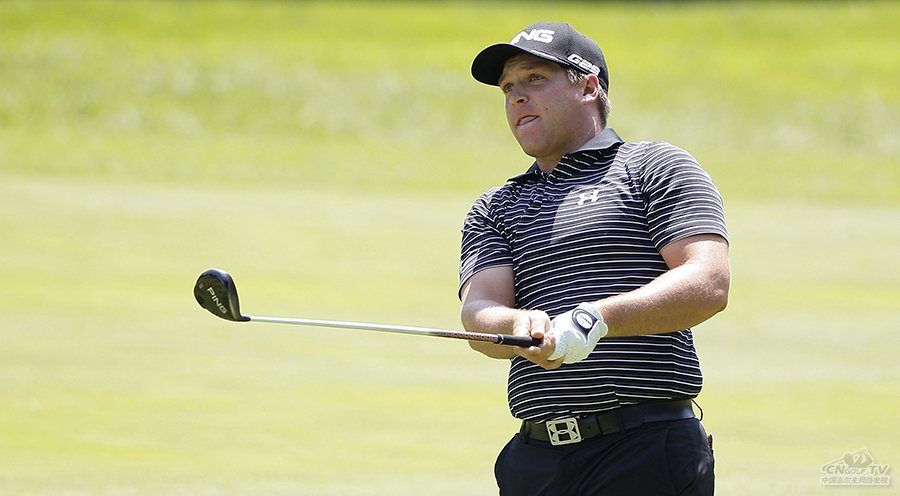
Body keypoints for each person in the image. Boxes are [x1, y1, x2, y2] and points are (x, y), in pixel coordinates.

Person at [458, 22, 730, 495]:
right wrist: (518, 325)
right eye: (508, 88)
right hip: (535, 460)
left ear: (588, 87)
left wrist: (595, 320)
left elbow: (707, 282)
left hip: (644, 448)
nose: (517, 97)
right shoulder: (497, 206)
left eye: (534, 78)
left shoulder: (652, 166)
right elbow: (478, 311)